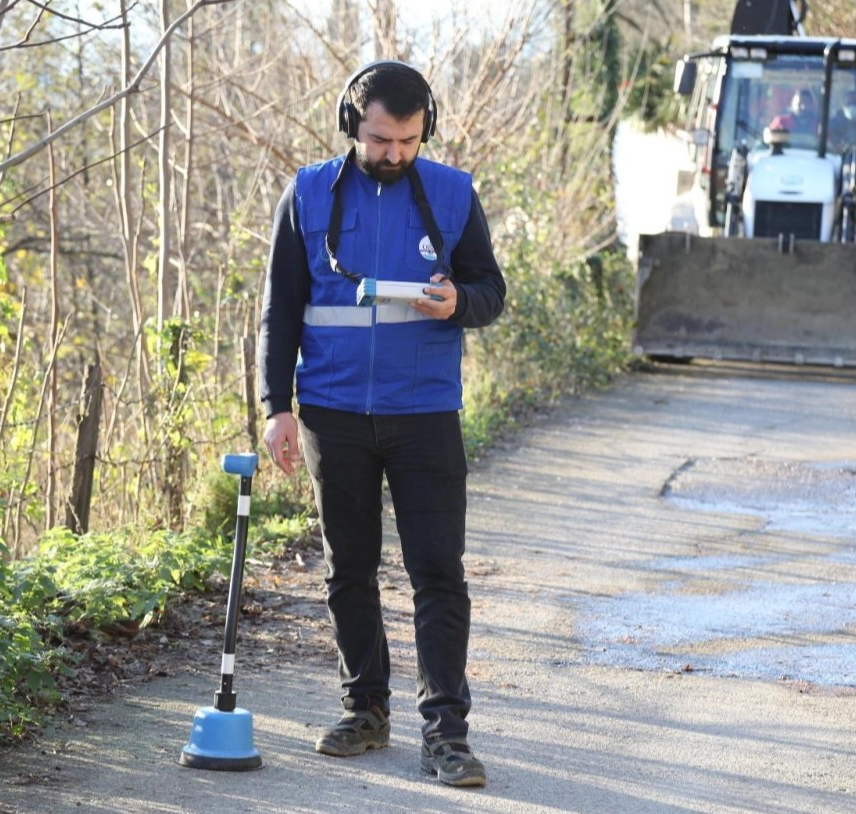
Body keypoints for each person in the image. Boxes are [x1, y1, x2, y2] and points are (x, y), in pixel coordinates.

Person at [257, 60, 506, 789]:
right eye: (379, 140)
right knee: (348, 569)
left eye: (407, 140)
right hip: (332, 416)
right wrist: (277, 408)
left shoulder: (455, 194)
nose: (393, 154)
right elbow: (279, 313)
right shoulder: (306, 195)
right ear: (349, 126)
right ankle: (365, 708)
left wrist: (458, 300)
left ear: (425, 130)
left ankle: (446, 735)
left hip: (425, 413)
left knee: (437, 573)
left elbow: (492, 292)